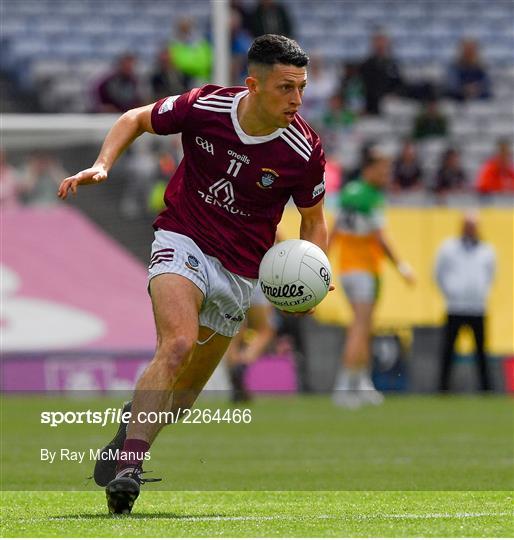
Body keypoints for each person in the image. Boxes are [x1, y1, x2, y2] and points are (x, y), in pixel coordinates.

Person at [58, 34, 329, 515]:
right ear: (254, 84)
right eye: (286, 87)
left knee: (181, 401)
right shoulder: (205, 106)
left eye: (301, 87)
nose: (297, 99)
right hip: (182, 239)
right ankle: (130, 465)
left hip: (241, 271)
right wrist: (102, 165)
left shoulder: (303, 149)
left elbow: (312, 220)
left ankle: (129, 433)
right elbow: (135, 118)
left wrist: (314, 277)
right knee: (177, 343)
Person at [330, 144, 415, 408]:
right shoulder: (372, 197)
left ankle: (362, 381)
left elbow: (334, 230)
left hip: (347, 268)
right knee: (360, 326)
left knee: (364, 327)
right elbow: (381, 240)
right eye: (383, 168)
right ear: (370, 168)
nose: (386, 173)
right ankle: (344, 385)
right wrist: (401, 267)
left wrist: (323, 260)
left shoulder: (348, 193)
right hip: (365, 269)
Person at [434, 212, 496, 392]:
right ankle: (443, 389)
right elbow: (438, 274)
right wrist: (451, 292)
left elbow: (491, 275)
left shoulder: (487, 250)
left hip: (478, 307)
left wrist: (481, 292)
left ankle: (486, 389)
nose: (470, 229)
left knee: (481, 351)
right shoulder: (448, 248)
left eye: (473, 225)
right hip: (455, 306)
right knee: (448, 349)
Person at [225, 286, 276, 402]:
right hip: (256, 280)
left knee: (233, 334)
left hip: (233, 281)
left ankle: (235, 369)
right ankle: (244, 362)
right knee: (265, 331)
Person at [360, 30, 403, 115]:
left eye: (383, 41)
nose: (381, 45)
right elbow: (366, 85)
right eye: (378, 41)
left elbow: (399, 82)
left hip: (390, 101)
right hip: (372, 103)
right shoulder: (366, 64)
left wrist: (394, 94)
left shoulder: (392, 63)